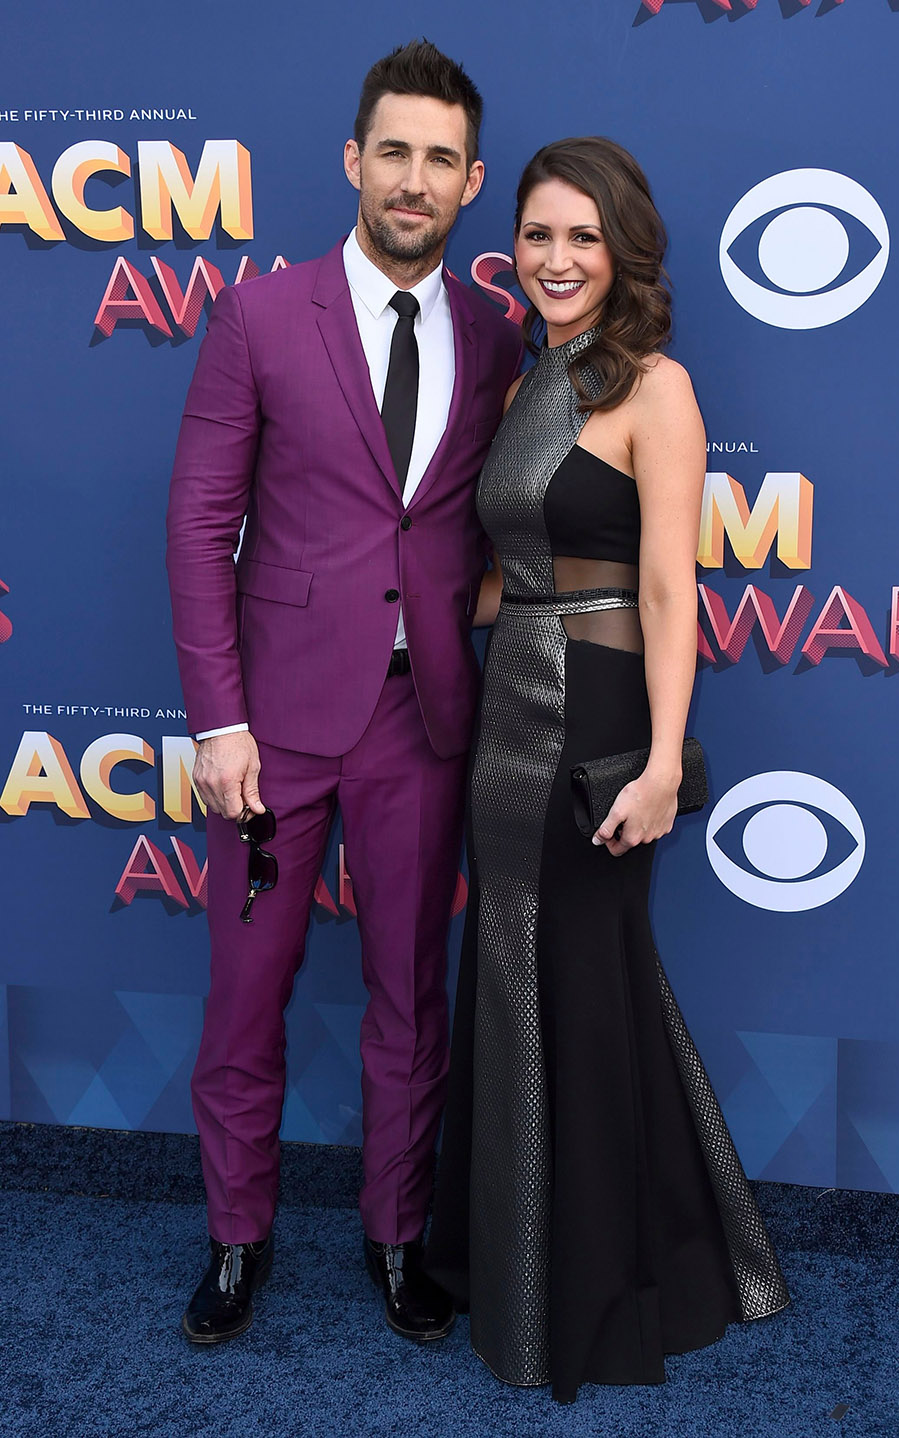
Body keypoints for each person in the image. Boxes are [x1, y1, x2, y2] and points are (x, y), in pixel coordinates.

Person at [165, 40, 522, 1346]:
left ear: (471, 179)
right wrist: (217, 720)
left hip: (424, 726)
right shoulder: (262, 316)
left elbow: (490, 529)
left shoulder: (495, 342)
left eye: (440, 158)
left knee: (409, 998)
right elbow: (201, 524)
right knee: (245, 991)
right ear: (352, 161)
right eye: (394, 151)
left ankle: (393, 1235)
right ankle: (237, 1236)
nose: (414, 179)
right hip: (271, 731)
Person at [425, 137, 789, 1403]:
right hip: (507, 709)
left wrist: (657, 767)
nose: (557, 258)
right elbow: (509, 571)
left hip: (600, 714)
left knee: (582, 983)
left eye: (582, 236)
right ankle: (517, 1264)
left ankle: (602, 1288)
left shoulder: (657, 388)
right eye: (537, 235)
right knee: (523, 978)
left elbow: (670, 589)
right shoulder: (532, 374)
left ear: (622, 249)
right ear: (511, 247)